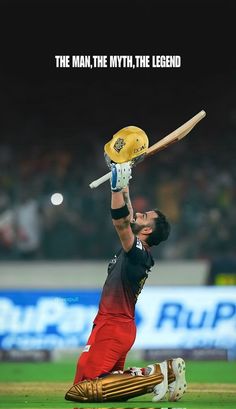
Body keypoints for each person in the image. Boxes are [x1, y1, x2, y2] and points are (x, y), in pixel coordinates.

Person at [65, 128, 187, 403]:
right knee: (105, 389)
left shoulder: (138, 252)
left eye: (145, 217)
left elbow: (121, 221)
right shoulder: (139, 250)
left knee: (82, 390)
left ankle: (157, 373)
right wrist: (125, 175)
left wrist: (117, 186)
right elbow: (129, 214)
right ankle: (155, 374)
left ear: (147, 232)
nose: (139, 215)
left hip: (114, 327)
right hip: (112, 325)